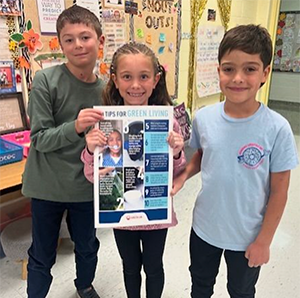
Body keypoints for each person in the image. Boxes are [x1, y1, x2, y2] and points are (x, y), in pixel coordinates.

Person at [171, 24, 299, 298]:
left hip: (248, 235)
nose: (238, 78)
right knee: (200, 285)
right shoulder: (204, 117)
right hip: (205, 227)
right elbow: (203, 154)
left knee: (241, 291)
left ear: (265, 73)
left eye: (250, 69)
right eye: (229, 69)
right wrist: (182, 176)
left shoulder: (277, 128)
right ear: (219, 71)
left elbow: (280, 192)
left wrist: (264, 241)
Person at [81, 42, 186, 298]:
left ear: (155, 80)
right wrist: (91, 151)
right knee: (130, 267)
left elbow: (178, 170)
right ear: (115, 80)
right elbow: (93, 176)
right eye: (127, 77)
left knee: (153, 266)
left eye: (144, 77)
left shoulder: (167, 121)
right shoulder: (104, 123)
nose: (136, 85)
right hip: (122, 219)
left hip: (155, 216)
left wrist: (176, 151)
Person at [21, 5, 105, 298]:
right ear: (60, 44)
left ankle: (85, 285)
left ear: (100, 41)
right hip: (48, 187)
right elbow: (40, 139)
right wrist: (76, 127)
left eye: (85, 37)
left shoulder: (107, 91)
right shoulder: (46, 81)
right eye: (68, 39)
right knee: (42, 253)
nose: (78, 45)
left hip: (86, 187)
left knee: (87, 246)